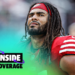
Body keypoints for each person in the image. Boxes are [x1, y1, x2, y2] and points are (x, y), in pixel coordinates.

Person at [18, 2, 75, 75]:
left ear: (51, 21)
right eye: (31, 15)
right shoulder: (20, 49)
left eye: (41, 15)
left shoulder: (62, 46)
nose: (34, 17)